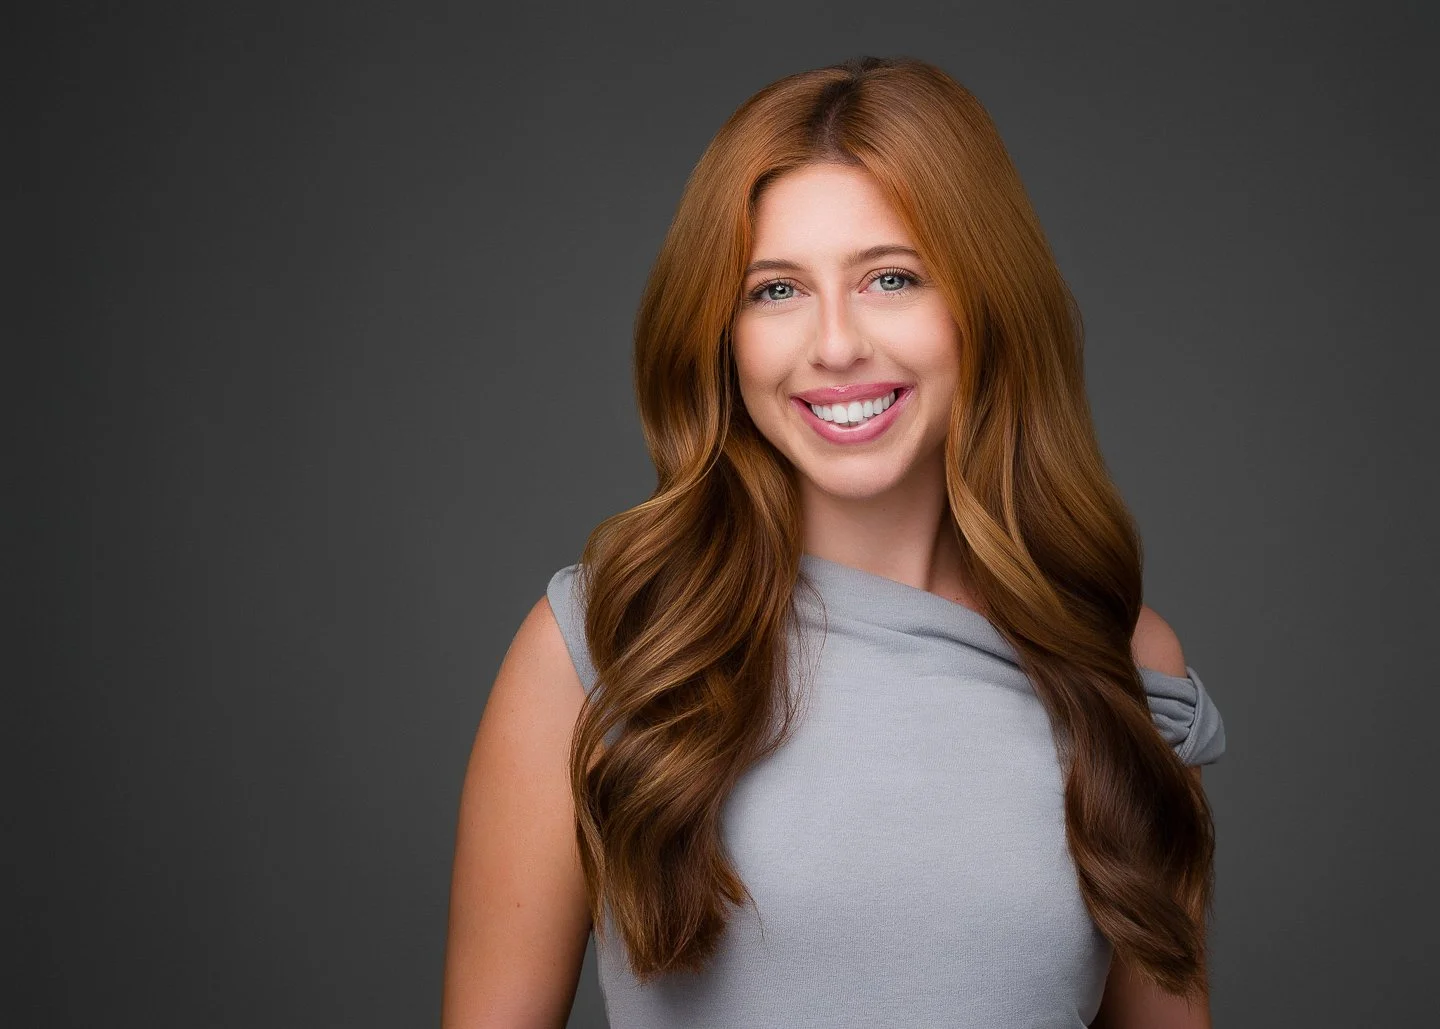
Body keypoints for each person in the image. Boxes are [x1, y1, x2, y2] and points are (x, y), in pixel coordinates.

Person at [442, 55, 1227, 1028]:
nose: (836, 344)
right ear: (723, 335)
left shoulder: (1124, 666)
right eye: (776, 291)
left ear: (985, 301)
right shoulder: (601, 645)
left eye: (891, 278)